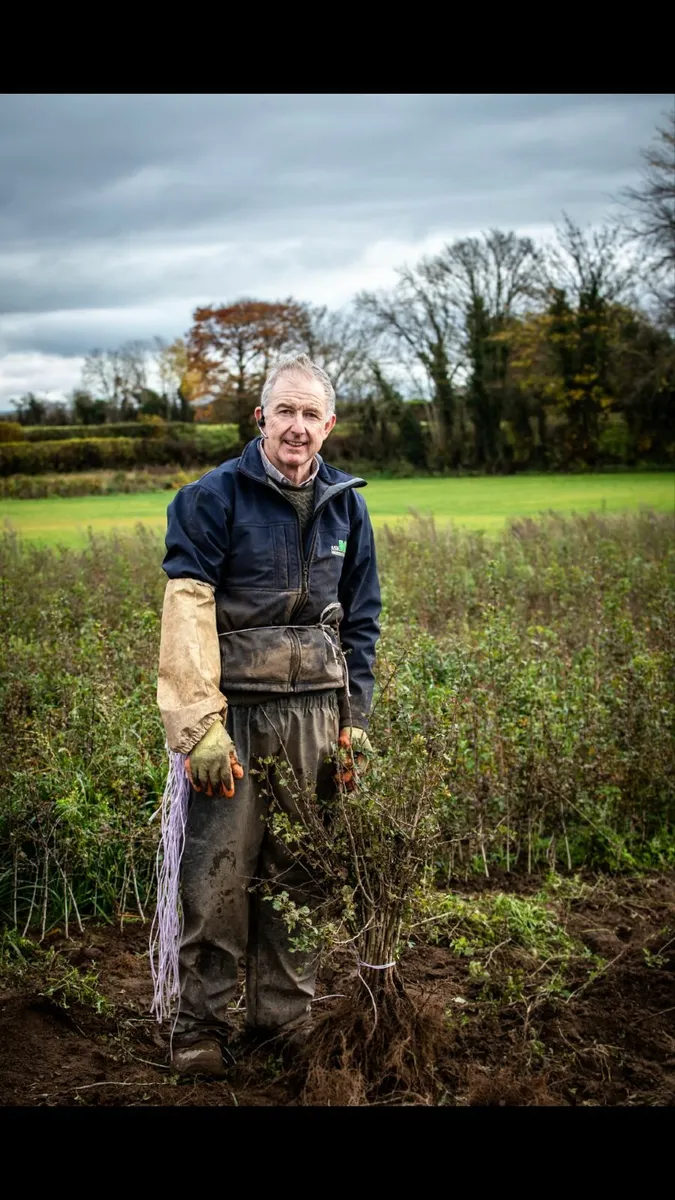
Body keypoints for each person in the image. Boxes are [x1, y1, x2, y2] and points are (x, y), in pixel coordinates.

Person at [156, 352, 381, 1076]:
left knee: (302, 876)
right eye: (284, 410)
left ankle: (280, 1022)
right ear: (260, 417)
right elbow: (187, 609)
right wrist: (198, 725)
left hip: (317, 716)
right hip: (236, 720)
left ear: (329, 425)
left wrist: (356, 722)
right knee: (216, 877)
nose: (297, 426)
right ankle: (202, 1028)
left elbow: (362, 621)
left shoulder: (347, 504)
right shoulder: (210, 498)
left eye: (310, 413)